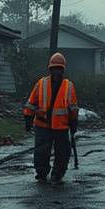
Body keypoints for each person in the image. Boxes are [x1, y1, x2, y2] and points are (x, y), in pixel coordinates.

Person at [23, 53, 79, 185]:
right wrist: (28, 119)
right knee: (41, 151)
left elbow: (73, 107)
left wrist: (73, 122)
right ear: (50, 70)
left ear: (62, 70)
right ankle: (42, 173)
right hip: (43, 125)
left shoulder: (68, 86)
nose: (56, 72)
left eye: (58, 69)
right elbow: (31, 103)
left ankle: (57, 173)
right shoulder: (41, 84)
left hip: (61, 126)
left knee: (62, 152)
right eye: (54, 69)